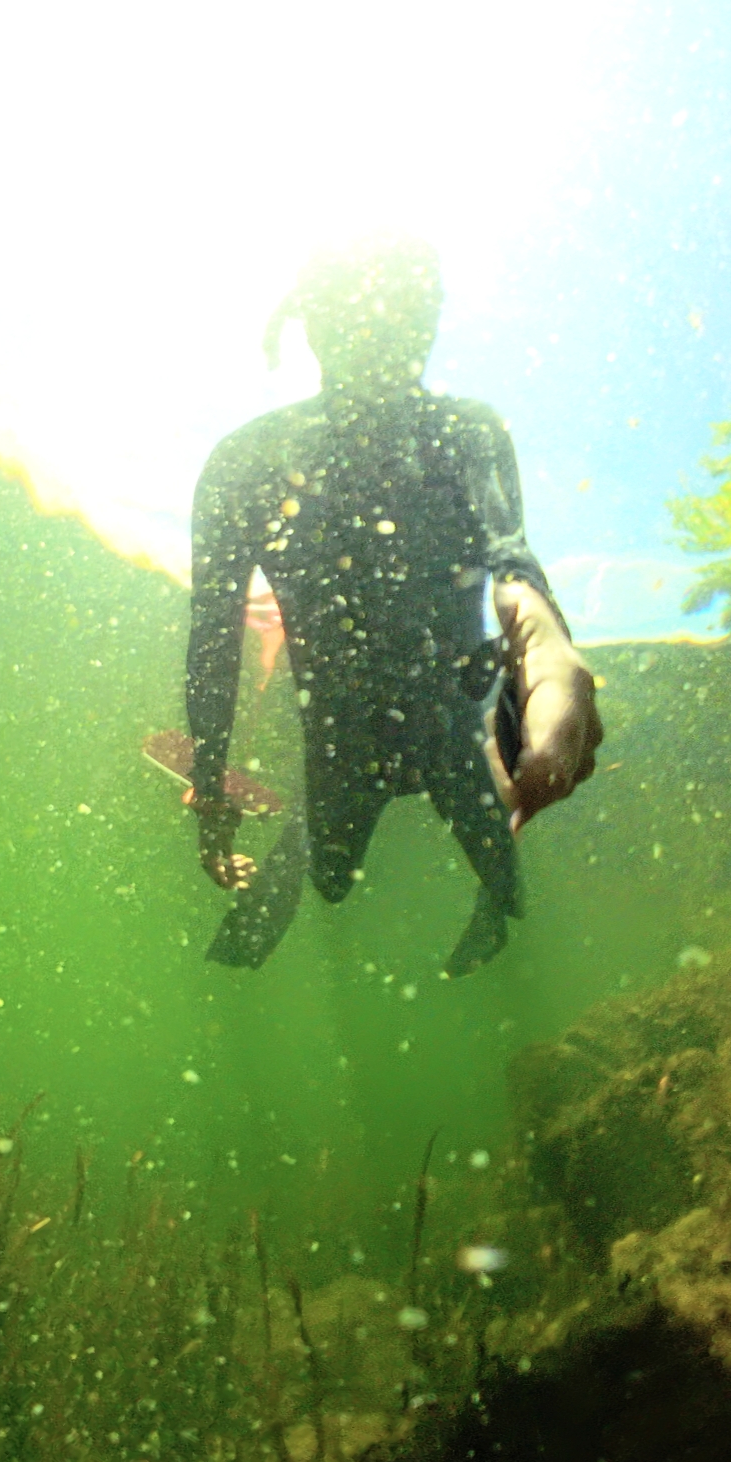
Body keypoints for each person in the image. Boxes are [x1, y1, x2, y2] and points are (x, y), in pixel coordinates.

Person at [184, 240, 602, 974]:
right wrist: (211, 795)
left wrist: (544, 637)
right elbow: (212, 646)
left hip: (399, 730)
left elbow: (512, 562)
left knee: (494, 875)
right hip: (393, 732)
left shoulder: (256, 460)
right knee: (341, 879)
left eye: (407, 312)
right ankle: (459, 900)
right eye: (370, 313)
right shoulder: (254, 461)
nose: (384, 333)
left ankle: (486, 910)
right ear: (314, 323)